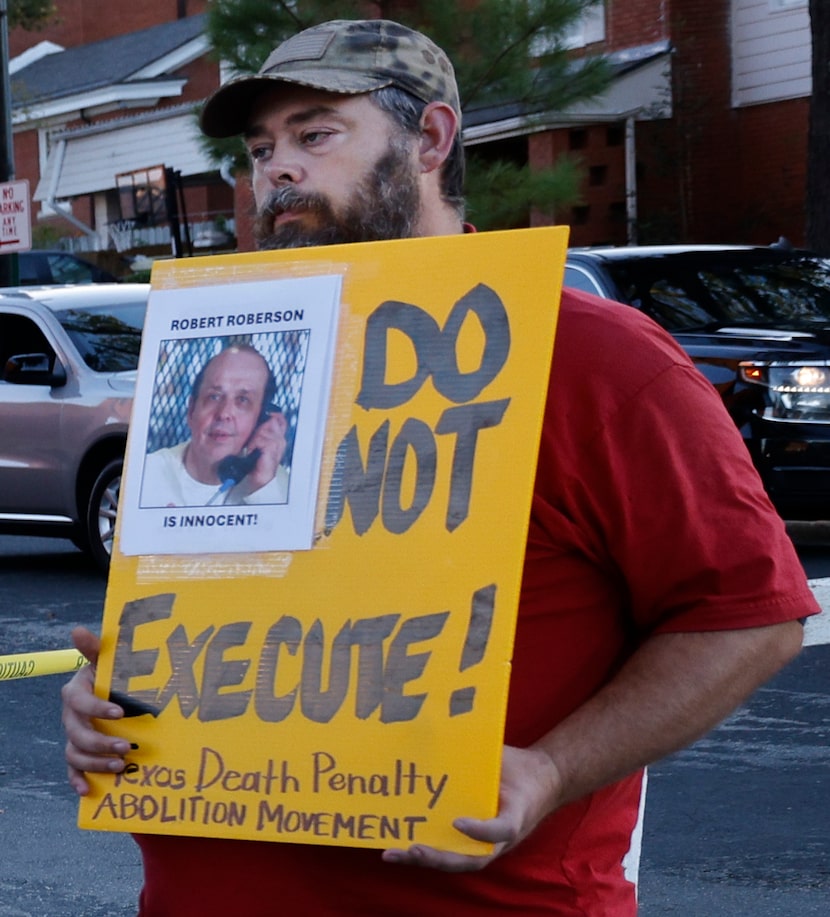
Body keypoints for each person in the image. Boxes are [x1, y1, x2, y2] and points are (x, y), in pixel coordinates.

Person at [61, 18, 819, 916]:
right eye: (261, 148)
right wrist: (108, 698)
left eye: (316, 133)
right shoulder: (244, 352)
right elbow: (218, 613)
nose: (276, 171)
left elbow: (748, 617)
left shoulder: (593, 355)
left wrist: (549, 769)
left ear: (430, 139)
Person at [140, 343, 290, 507]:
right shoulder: (147, 475)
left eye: (243, 400)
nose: (224, 413)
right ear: (191, 411)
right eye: (214, 397)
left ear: (262, 419)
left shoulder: (277, 487)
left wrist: (263, 488)